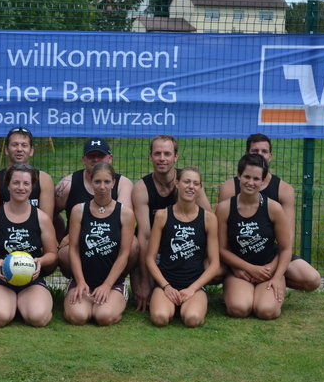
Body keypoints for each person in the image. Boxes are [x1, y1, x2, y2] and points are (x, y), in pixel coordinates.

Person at [217, 134, 321, 292]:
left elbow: (288, 239)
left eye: (264, 151)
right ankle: (236, 285)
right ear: (246, 155)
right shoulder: (229, 187)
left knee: (312, 279)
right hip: (237, 255)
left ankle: (275, 282)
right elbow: (222, 239)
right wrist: (237, 267)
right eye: (255, 151)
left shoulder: (284, 189)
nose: (260, 155)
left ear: (270, 156)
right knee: (216, 273)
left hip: (271, 254)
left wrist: (272, 269)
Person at [132, 135, 212, 311]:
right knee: (144, 295)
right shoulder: (141, 188)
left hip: (186, 251)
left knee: (216, 268)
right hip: (155, 253)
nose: (162, 158)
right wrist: (145, 281)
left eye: (167, 154)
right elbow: (145, 236)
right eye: (157, 153)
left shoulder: (189, 183)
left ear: (175, 156)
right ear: (150, 156)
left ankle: (199, 289)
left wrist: (200, 261)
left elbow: (209, 222)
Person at [0, 164, 58, 327]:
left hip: (31, 277)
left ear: (32, 187)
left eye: (26, 183)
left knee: (38, 318)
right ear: (7, 185)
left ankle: (22, 303)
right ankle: (2, 303)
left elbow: (52, 253)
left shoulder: (42, 218)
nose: (21, 188)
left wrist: (40, 261)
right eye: (16, 183)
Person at [216, 154, 292, 320]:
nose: (250, 182)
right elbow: (221, 249)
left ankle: (266, 295)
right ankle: (242, 293)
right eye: (247, 177)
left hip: (268, 271)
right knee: (239, 309)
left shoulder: (274, 208)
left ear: (263, 181)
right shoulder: (224, 209)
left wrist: (277, 276)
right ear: (239, 176)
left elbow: (286, 248)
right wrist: (248, 268)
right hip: (240, 272)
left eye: (256, 179)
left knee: (266, 311)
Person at [146, 167, 219, 328]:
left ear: (200, 187)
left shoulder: (209, 218)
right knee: (160, 318)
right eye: (186, 182)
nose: (191, 186)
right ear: (177, 183)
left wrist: (192, 289)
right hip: (167, 283)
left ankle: (193, 303)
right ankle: (167, 303)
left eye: (195, 183)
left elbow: (214, 264)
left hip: (194, 285)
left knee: (192, 319)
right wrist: (166, 287)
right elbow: (150, 259)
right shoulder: (162, 216)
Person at [64, 162, 134, 326]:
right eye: (97, 182)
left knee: (103, 317)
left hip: (112, 283)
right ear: (91, 181)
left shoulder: (125, 213)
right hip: (84, 281)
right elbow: (73, 250)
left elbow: (124, 254)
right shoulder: (79, 210)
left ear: (113, 183)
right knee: (78, 317)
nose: (102, 187)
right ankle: (78, 292)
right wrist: (80, 281)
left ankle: (117, 296)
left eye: (107, 182)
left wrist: (107, 285)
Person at [54, 138, 134, 276]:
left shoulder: (123, 183)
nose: (96, 160)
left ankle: (117, 280)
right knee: (64, 253)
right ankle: (78, 280)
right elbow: (48, 214)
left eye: (100, 156)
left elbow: (123, 220)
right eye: (91, 156)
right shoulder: (67, 184)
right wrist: (63, 236)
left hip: (111, 239)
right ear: (83, 159)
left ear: (110, 158)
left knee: (134, 245)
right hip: (79, 242)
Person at [0, 126, 54, 217]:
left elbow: (47, 221)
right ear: (6, 150)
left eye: (24, 145)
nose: (19, 149)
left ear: (31, 151)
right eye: (14, 145)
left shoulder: (44, 180)